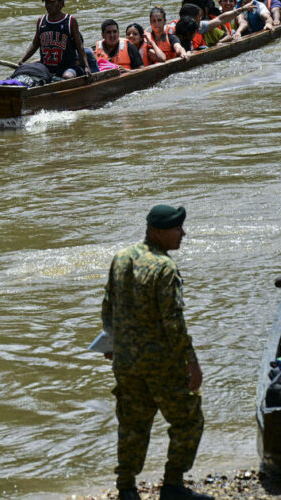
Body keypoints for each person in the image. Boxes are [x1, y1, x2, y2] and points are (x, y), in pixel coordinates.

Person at [101, 205, 210, 500]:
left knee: (132, 424)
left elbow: (108, 306)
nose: (183, 234)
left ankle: (126, 489)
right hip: (161, 363)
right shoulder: (165, 268)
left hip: (126, 363)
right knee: (188, 420)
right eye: (178, 229)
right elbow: (173, 322)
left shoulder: (121, 258)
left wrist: (112, 344)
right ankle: (173, 486)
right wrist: (193, 363)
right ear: (158, 232)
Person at [16, 0, 91, 80]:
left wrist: (86, 66)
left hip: (67, 67)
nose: (48, 5)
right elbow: (35, 44)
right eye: (47, 2)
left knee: (67, 76)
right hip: (46, 67)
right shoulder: (41, 21)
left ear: (61, 3)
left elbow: (79, 45)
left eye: (52, 2)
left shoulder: (70, 21)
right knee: (25, 72)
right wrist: (22, 60)